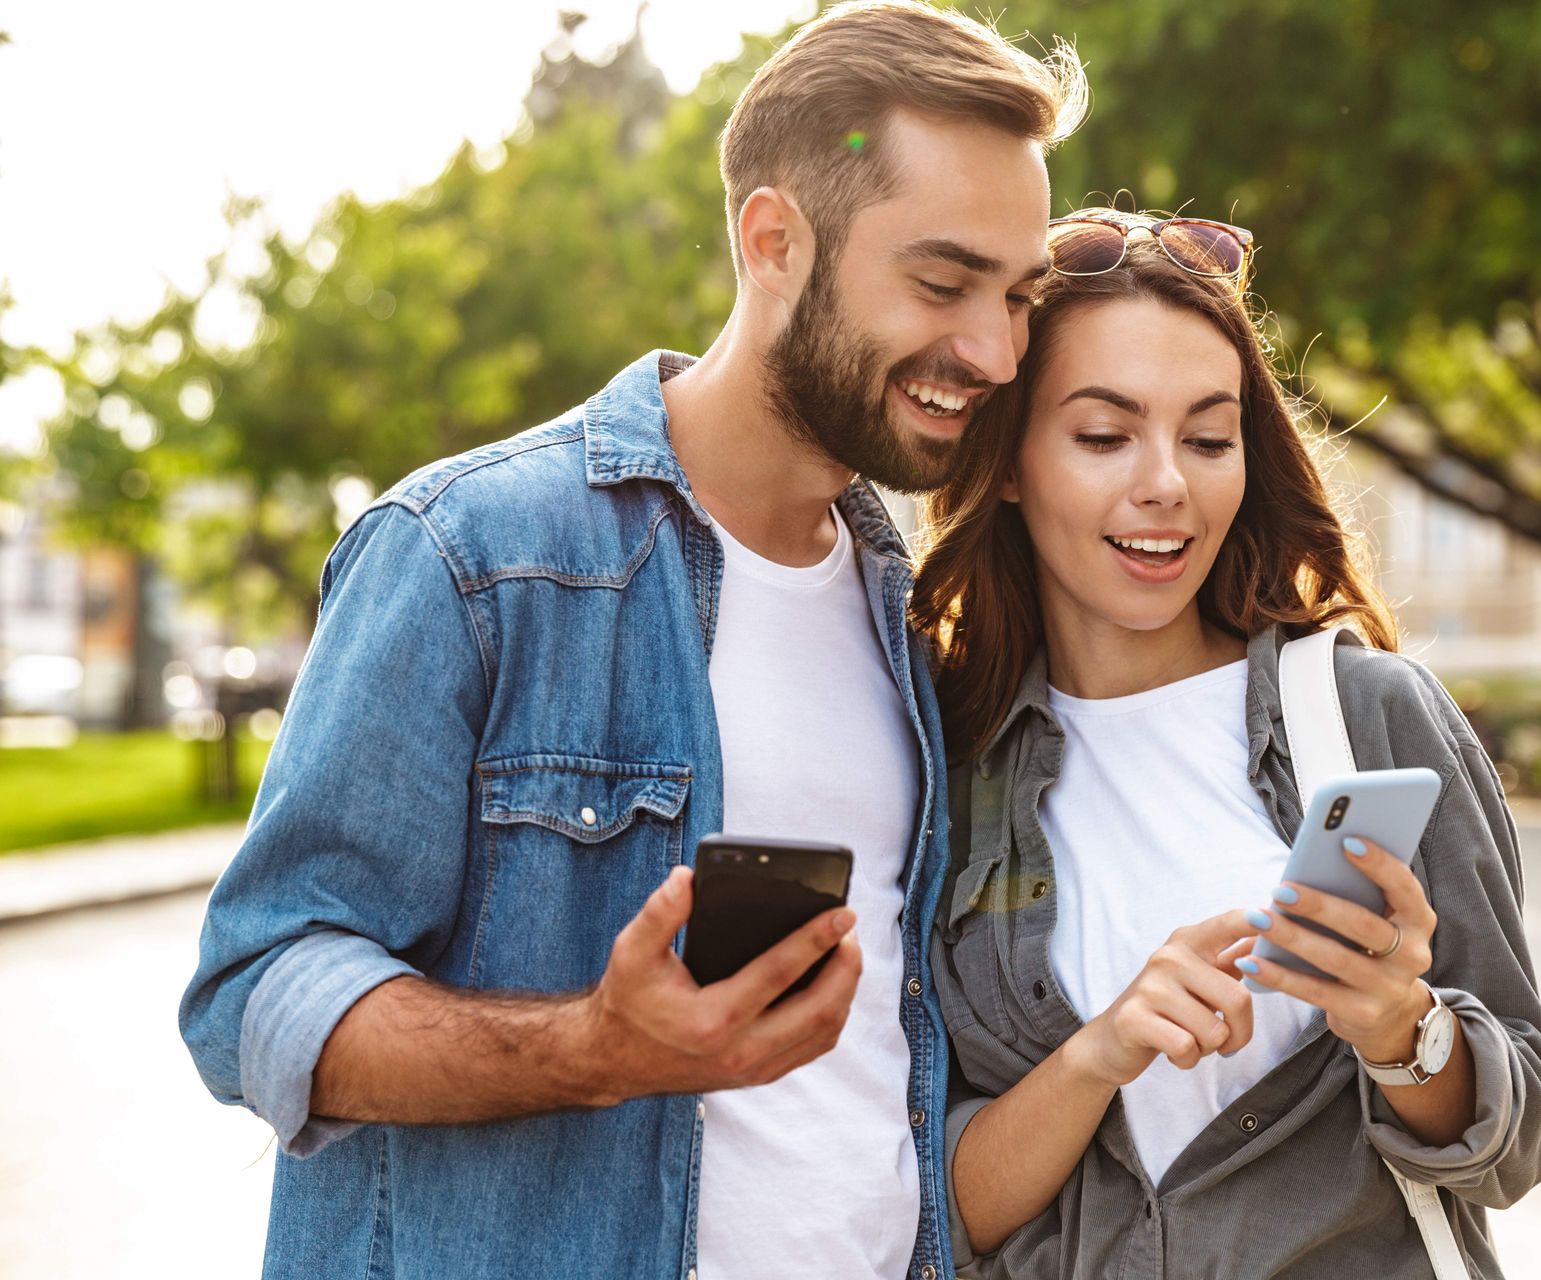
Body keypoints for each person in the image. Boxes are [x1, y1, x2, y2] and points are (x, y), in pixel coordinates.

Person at [177, 5, 1086, 1277]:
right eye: (941, 283)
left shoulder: (910, 605)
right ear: (774, 241)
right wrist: (599, 1045)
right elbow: (255, 988)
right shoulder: (469, 552)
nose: (991, 349)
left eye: (1016, 294)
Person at [911, 209, 1541, 1278]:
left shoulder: (1366, 714)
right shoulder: (942, 759)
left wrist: (1404, 1027)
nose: (1167, 480)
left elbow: (1525, 1127)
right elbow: (935, 1211)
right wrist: (1101, 1052)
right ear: (1010, 463)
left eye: (1209, 437)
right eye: (1103, 434)